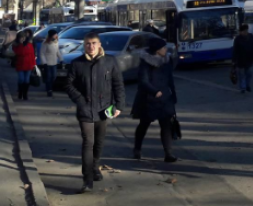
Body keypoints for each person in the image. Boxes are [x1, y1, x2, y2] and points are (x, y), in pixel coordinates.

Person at [65, 33, 125, 194]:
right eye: (87, 44)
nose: (90, 47)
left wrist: (119, 105)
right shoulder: (77, 63)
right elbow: (69, 85)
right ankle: (87, 179)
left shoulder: (110, 62)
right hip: (85, 110)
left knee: (99, 142)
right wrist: (80, 100)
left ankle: (95, 166)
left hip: (104, 109)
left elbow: (118, 84)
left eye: (93, 43)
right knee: (88, 143)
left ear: (99, 44)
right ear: (84, 46)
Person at [131, 38, 178, 162]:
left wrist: (173, 94)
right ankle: (137, 149)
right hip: (148, 98)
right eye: (163, 47)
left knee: (166, 125)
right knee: (144, 124)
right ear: (157, 50)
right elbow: (143, 81)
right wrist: (154, 91)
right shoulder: (146, 62)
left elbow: (170, 79)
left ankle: (168, 153)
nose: (166, 49)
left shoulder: (167, 60)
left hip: (165, 98)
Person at [232, 24, 253, 93]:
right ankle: (243, 88)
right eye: (244, 31)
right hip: (240, 60)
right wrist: (234, 60)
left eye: (246, 30)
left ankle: (247, 85)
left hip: (249, 59)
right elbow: (235, 50)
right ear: (240, 32)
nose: (245, 32)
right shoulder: (237, 39)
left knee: (249, 73)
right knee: (242, 75)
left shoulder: (251, 36)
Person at [12, 32, 36, 101]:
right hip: (20, 64)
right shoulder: (16, 45)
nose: (23, 39)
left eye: (24, 37)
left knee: (26, 80)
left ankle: (25, 94)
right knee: (21, 79)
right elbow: (18, 53)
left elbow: (32, 55)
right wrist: (21, 45)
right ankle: (20, 92)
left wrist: (34, 64)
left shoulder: (29, 44)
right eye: (21, 38)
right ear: (18, 38)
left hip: (28, 64)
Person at [40, 29, 63, 97]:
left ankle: (49, 87)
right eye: (54, 34)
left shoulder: (56, 42)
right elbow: (42, 53)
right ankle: (49, 90)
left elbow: (57, 51)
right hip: (47, 63)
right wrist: (44, 63)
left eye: (56, 34)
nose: (56, 36)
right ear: (51, 35)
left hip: (54, 63)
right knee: (49, 77)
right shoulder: (45, 43)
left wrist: (61, 59)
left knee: (54, 76)